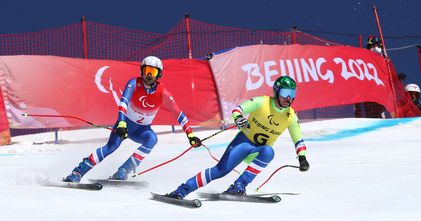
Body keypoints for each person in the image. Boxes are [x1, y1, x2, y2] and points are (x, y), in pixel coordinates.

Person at [166, 76, 309, 199]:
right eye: (285, 93)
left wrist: (302, 157)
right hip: (243, 144)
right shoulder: (262, 102)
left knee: (269, 151)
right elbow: (237, 110)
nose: (288, 98)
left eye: (292, 93)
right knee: (219, 171)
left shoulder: (291, 116)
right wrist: (239, 118)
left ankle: (238, 186)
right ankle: (181, 190)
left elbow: (298, 140)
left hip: (258, 153)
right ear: (277, 92)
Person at [64, 56, 202, 182]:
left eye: (153, 72)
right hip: (124, 125)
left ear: (159, 74)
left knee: (152, 139)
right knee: (110, 148)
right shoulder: (134, 83)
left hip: (142, 131)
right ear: (142, 71)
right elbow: (123, 102)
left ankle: (124, 170)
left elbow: (180, 115)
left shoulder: (163, 92)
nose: (149, 75)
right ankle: (78, 172)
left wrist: (190, 135)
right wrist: (122, 123)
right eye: (147, 70)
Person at [354, 35, 387, 118]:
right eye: (373, 46)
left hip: (379, 91)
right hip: (367, 89)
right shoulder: (365, 58)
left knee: (378, 109)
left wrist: (397, 77)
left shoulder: (384, 61)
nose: (375, 49)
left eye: (377, 47)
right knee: (366, 108)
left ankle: (380, 119)